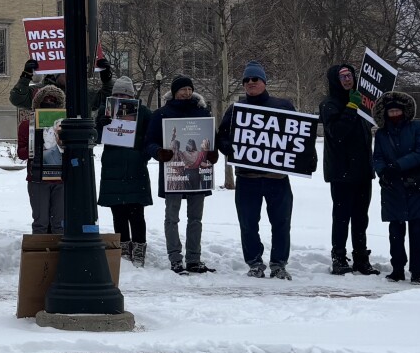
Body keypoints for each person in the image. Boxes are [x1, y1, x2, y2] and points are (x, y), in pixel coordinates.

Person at [216, 62, 297, 280]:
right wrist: (230, 149)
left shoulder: (283, 106)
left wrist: (306, 159)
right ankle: (255, 263)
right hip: (247, 178)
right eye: (246, 80)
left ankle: (279, 264)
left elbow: (299, 136)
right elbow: (222, 137)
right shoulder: (235, 110)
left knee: (281, 223)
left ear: (264, 81)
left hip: (277, 178)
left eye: (255, 79)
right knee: (248, 223)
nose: (250, 83)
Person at [371, 90, 420, 283]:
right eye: (390, 112)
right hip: (393, 187)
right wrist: (383, 171)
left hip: (417, 185)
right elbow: (377, 156)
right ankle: (397, 268)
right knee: (395, 231)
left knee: (417, 230)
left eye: (397, 111)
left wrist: (398, 165)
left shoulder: (417, 127)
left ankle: (418, 271)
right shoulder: (382, 134)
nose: (394, 115)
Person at [152, 75, 216, 274]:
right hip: (173, 175)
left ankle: (194, 259)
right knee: (172, 218)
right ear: (174, 92)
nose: (186, 92)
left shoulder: (202, 113)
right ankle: (175, 258)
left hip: (197, 176)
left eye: (189, 89)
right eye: (182, 89)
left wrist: (212, 153)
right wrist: (157, 152)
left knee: (195, 218)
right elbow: (149, 142)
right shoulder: (162, 114)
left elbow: (213, 139)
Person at [317, 64, 377, 276]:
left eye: (350, 75)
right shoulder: (329, 104)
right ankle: (339, 257)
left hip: (362, 170)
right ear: (335, 79)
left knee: (361, 217)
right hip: (341, 171)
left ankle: (361, 257)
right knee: (342, 217)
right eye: (342, 76)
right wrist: (351, 107)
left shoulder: (362, 103)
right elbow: (337, 132)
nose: (347, 79)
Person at [96, 76, 154, 268]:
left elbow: (152, 138)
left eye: (124, 94)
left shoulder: (144, 113)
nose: (120, 97)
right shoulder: (105, 112)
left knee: (136, 213)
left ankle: (138, 248)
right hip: (113, 168)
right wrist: (101, 124)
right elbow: (94, 138)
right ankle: (122, 248)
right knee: (118, 212)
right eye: (117, 94)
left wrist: (142, 155)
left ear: (131, 96)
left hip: (135, 168)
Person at [17, 82, 65, 234]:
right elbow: (21, 153)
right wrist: (35, 145)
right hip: (37, 178)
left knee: (60, 223)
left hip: (61, 177)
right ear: (38, 103)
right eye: (46, 100)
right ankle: (41, 256)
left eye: (53, 101)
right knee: (41, 222)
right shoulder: (27, 125)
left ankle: (59, 257)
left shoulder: (65, 125)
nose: (49, 103)